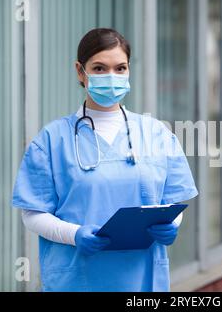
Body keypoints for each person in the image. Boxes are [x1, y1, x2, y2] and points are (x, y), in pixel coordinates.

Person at [11, 28, 198, 292]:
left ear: (129, 70)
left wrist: (171, 224)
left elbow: (173, 202)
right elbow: (32, 214)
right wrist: (73, 234)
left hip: (142, 280)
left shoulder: (157, 134)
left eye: (120, 68)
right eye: (99, 69)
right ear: (80, 71)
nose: (111, 77)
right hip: (77, 279)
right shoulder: (52, 140)